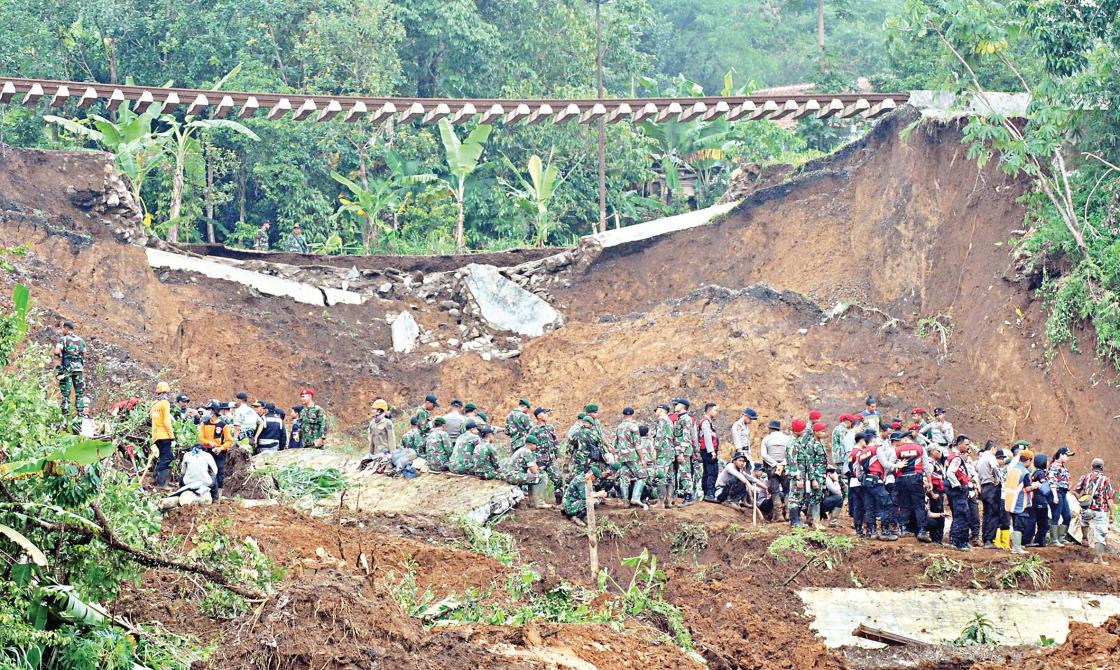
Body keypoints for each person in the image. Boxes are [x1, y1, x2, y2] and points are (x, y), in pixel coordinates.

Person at [1074, 458, 1115, 565]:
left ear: (1091, 467)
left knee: (1084, 522)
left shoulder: (1085, 477)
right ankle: (1098, 558)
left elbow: (1076, 490)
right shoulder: (1106, 480)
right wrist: (1112, 514)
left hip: (1087, 509)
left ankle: (1084, 539)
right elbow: (1110, 498)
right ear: (1102, 468)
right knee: (1100, 533)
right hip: (1100, 510)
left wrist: (1081, 500)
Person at [893, 431, 931, 542]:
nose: (899, 441)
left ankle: (903, 528)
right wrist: (929, 482)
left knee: (904, 504)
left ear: (905, 439)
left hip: (902, 479)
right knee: (919, 504)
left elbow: (893, 466)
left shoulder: (897, 450)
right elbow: (927, 467)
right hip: (915, 478)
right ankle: (922, 531)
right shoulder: (920, 448)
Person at [160, 443, 218, 510]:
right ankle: (215, 498)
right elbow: (215, 470)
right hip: (205, 483)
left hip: (188, 483)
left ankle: (181, 491)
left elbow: (183, 471)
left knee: (181, 476)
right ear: (203, 450)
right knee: (214, 477)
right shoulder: (208, 455)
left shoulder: (187, 455)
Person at [199, 402, 235, 500]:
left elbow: (229, 441)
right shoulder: (204, 424)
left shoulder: (223, 425)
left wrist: (220, 448)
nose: (207, 412)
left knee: (219, 471)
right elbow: (201, 438)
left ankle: (218, 494)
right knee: (206, 470)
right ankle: (206, 492)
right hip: (207, 450)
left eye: (209, 410)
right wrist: (209, 443)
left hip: (219, 452)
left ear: (214, 411)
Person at [528, 408, 563, 504]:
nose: (547, 415)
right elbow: (530, 446)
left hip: (551, 460)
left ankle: (559, 501)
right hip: (539, 460)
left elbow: (555, 443)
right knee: (537, 479)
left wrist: (558, 456)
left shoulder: (550, 428)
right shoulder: (533, 430)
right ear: (539, 416)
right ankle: (536, 500)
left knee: (558, 478)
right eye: (545, 413)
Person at [1004, 450, 1036, 554]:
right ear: (1028, 460)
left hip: (1010, 501)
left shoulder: (1013, 469)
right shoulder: (1025, 473)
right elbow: (1027, 489)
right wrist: (1035, 486)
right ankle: (1016, 547)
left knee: (1014, 523)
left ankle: (1015, 546)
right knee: (1019, 525)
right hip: (1020, 502)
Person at [944, 436, 974, 551]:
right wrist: (958, 485)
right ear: (960, 444)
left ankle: (957, 540)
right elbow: (950, 473)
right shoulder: (956, 458)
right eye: (966, 445)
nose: (968, 447)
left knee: (958, 515)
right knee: (962, 515)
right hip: (957, 491)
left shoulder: (951, 456)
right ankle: (959, 542)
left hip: (952, 490)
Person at [799, 422, 830, 529]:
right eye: (821, 431)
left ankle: (809, 519)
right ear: (815, 432)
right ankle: (816, 521)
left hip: (821, 474)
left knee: (817, 496)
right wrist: (813, 479)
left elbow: (821, 460)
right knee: (816, 497)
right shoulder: (811, 444)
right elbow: (810, 463)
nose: (823, 433)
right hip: (816, 475)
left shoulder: (820, 442)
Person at [614, 407, 646, 508]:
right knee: (642, 476)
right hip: (632, 456)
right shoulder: (633, 426)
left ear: (623, 415)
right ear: (632, 415)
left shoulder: (619, 427)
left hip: (622, 457)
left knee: (624, 477)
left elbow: (616, 444)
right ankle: (635, 498)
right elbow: (637, 444)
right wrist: (642, 458)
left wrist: (617, 456)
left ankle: (625, 501)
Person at [977, 443, 1006, 549]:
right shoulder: (991, 457)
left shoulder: (980, 459)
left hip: (984, 487)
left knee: (986, 514)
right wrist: (999, 480)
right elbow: (995, 468)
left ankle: (985, 538)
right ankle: (989, 539)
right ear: (993, 448)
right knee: (994, 514)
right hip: (992, 487)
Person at [761, 419, 791, 520]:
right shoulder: (787, 438)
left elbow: (764, 455)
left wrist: (775, 464)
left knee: (775, 492)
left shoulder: (766, 439)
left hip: (772, 468)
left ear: (770, 428)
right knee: (787, 491)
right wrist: (782, 463)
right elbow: (791, 454)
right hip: (785, 468)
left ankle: (778, 516)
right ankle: (788, 513)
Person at [55, 321, 87, 415]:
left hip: (67, 369)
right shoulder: (81, 340)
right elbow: (84, 354)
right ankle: (80, 416)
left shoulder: (63, 339)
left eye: (62, 328)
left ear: (66, 329)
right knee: (80, 394)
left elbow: (56, 352)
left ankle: (65, 417)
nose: (62, 331)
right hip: (79, 369)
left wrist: (61, 356)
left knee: (66, 394)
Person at [672, 398, 698, 506]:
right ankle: (683, 495)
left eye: (677, 404)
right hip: (679, 450)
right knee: (681, 473)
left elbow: (686, 437)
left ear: (683, 406)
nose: (675, 406)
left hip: (683, 450)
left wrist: (681, 452)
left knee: (685, 473)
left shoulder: (685, 419)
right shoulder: (680, 418)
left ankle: (689, 496)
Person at [150, 381, 175, 489]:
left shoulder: (154, 405)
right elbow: (166, 421)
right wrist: (172, 436)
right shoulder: (165, 403)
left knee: (163, 457)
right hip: (164, 435)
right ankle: (161, 483)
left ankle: (156, 478)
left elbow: (151, 418)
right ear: (166, 393)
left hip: (156, 435)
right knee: (167, 458)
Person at [1048, 447, 1075, 546]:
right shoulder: (1054, 466)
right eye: (1067, 455)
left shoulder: (1063, 467)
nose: (1068, 458)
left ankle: (1061, 538)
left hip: (1063, 493)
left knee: (1067, 516)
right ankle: (1054, 540)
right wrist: (1055, 496)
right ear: (1061, 455)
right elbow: (1052, 481)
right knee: (1056, 515)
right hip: (1057, 492)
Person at [652, 403, 676, 507]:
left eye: (656, 409)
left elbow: (659, 436)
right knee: (669, 477)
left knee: (660, 476)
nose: (655, 412)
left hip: (663, 452)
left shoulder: (661, 419)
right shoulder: (669, 421)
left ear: (661, 409)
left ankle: (660, 502)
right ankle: (668, 501)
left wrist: (655, 451)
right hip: (670, 451)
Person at [698, 402, 721, 502]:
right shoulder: (705, 422)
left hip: (707, 450)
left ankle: (707, 493)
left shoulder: (708, 422)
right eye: (715, 410)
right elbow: (707, 438)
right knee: (712, 472)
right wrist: (712, 451)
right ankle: (709, 493)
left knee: (708, 472)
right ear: (709, 410)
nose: (716, 413)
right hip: (708, 451)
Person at [926, 444, 948, 544]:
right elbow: (928, 476)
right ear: (932, 452)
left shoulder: (937, 463)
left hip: (939, 491)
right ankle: (935, 539)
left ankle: (938, 539)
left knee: (941, 514)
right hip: (934, 491)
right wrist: (932, 492)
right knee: (937, 514)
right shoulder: (929, 462)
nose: (940, 453)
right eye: (938, 451)